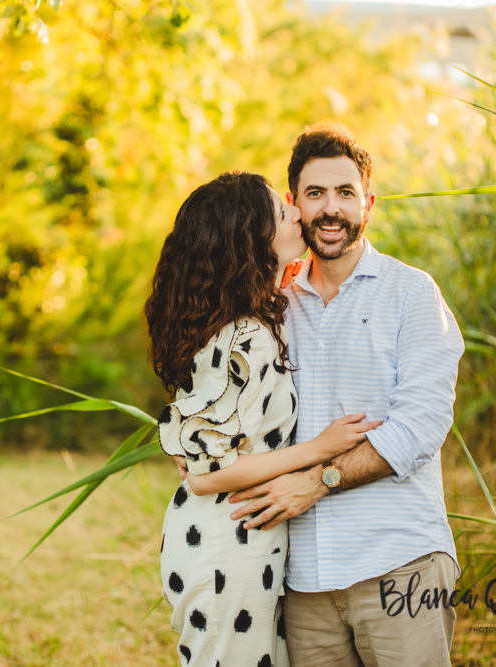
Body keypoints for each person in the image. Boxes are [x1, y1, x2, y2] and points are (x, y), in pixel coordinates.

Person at [226, 123, 465, 666]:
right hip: (301, 577)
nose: (330, 209)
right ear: (294, 204)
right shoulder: (273, 306)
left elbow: (420, 427)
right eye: (315, 194)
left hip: (398, 560)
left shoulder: (412, 294)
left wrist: (318, 481)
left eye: (344, 193)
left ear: (368, 204)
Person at [146, 171, 381, 667]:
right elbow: (208, 476)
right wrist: (320, 448)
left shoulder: (252, 320)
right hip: (226, 548)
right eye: (281, 211)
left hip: (244, 543)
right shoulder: (245, 336)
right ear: (252, 238)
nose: (298, 211)